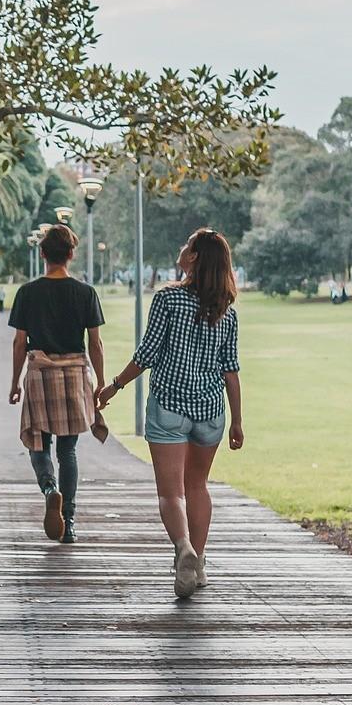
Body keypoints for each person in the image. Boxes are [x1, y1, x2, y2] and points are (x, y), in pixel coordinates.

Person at [98, 228, 244, 599]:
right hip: (211, 410)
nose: (182, 247)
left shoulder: (168, 300)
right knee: (198, 486)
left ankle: (183, 549)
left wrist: (114, 385)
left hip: (169, 407)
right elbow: (231, 370)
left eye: (188, 244)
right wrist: (238, 420)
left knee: (171, 493)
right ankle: (201, 565)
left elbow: (146, 355)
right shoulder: (227, 312)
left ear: (193, 257)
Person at [7, 224, 108, 545]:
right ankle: (70, 522)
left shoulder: (27, 292)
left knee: (37, 443)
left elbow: (19, 343)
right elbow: (95, 343)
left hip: (40, 375)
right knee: (68, 450)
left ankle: (50, 490)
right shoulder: (85, 292)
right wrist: (101, 383)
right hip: (74, 374)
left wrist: (14, 382)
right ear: (71, 254)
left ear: (42, 254)